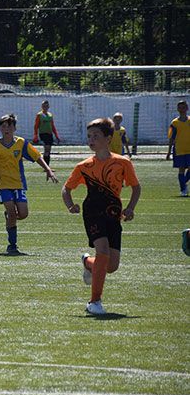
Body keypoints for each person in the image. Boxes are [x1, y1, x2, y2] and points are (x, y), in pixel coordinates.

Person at [63, 117, 141, 315]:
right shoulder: (84, 166)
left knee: (111, 266)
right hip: (93, 212)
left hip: (114, 213)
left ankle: (87, 262)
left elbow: (136, 187)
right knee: (103, 251)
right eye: (89, 136)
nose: (91, 140)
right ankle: (94, 302)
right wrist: (70, 205)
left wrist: (130, 208)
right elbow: (67, 189)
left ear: (108, 138)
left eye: (96, 136)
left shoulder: (123, 163)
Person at [0, 113, 58, 255]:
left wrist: (48, 170)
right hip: (1, 184)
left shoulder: (21, 143)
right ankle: (12, 245)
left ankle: (9, 217)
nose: (6, 129)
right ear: (0, 129)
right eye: (3, 126)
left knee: (23, 214)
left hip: (18, 183)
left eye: (9, 126)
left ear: (14, 128)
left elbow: (37, 156)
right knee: (12, 212)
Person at [166, 100, 190, 197]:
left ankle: (184, 183)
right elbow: (171, 138)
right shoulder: (174, 123)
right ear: (177, 109)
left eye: (183, 107)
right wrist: (168, 152)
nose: (182, 109)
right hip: (179, 150)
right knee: (181, 170)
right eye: (180, 107)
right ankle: (183, 189)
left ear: (187, 108)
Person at [32, 100, 61, 165]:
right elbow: (36, 126)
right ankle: (46, 166)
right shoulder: (39, 115)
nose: (45, 107)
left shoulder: (50, 115)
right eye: (44, 106)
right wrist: (35, 135)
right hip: (43, 134)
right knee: (47, 149)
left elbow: (52, 126)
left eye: (47, 106)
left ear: (48, 107)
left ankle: (47, 166)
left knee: (48, 150)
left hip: (49, 134)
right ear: (42, 106)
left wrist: (56, 135)